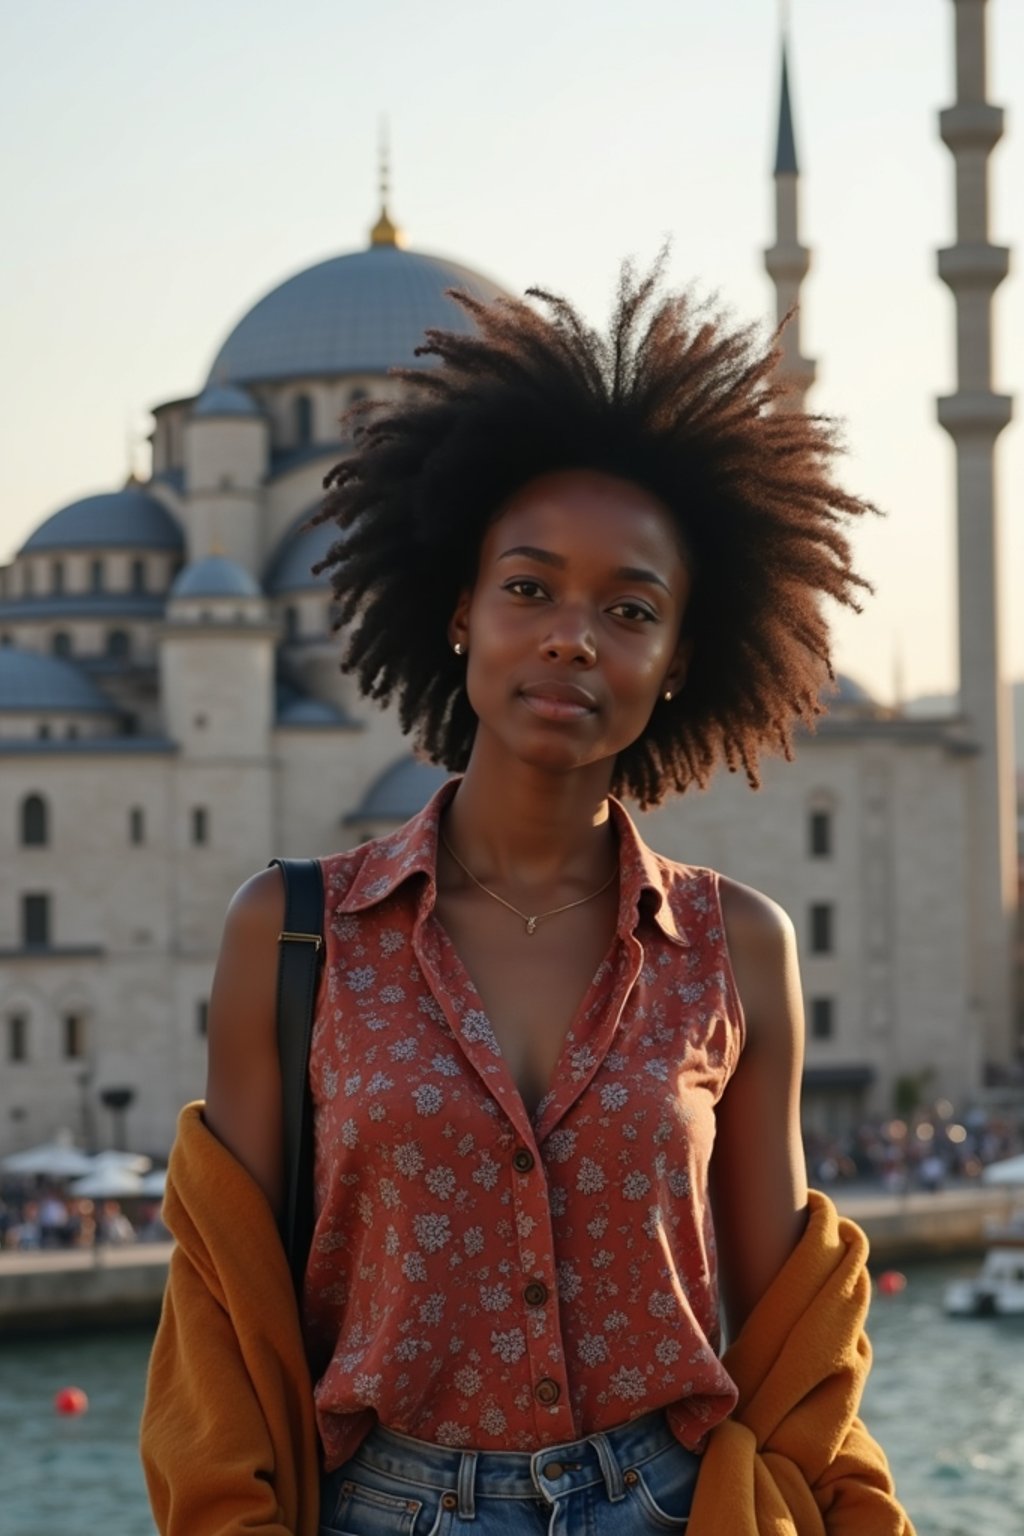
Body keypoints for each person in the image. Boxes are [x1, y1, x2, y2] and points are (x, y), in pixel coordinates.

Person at [142, 263, 914, 1534]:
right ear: (458, 611)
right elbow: (223, 1315)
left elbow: (795, 1342)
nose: (571, 637)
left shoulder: (735, 948)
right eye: (528, 587)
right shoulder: (290, 935)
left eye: (628, 610)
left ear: (675, 664)